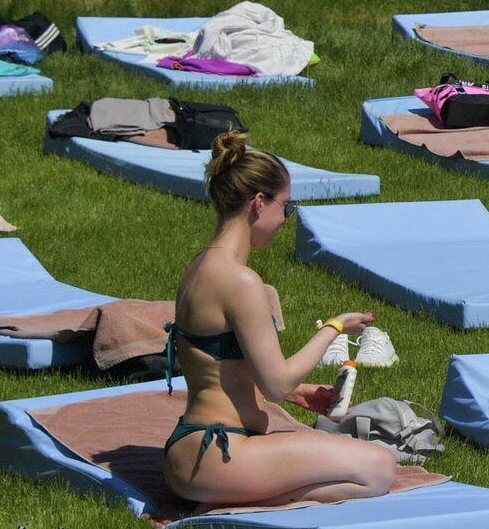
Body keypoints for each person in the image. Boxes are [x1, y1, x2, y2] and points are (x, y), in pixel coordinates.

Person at [162, 132, 396, 507]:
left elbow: (216, 362)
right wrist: (334, 327)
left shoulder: (199, 266)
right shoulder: (240, 281)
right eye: (286, 207)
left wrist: (298, 393)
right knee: (379, 468)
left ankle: (236, 495)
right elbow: (274, 383)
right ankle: (233, 503)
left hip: (190, 451)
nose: (286, 219)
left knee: (362, 465)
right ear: (259, 203)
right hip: (220, 455)